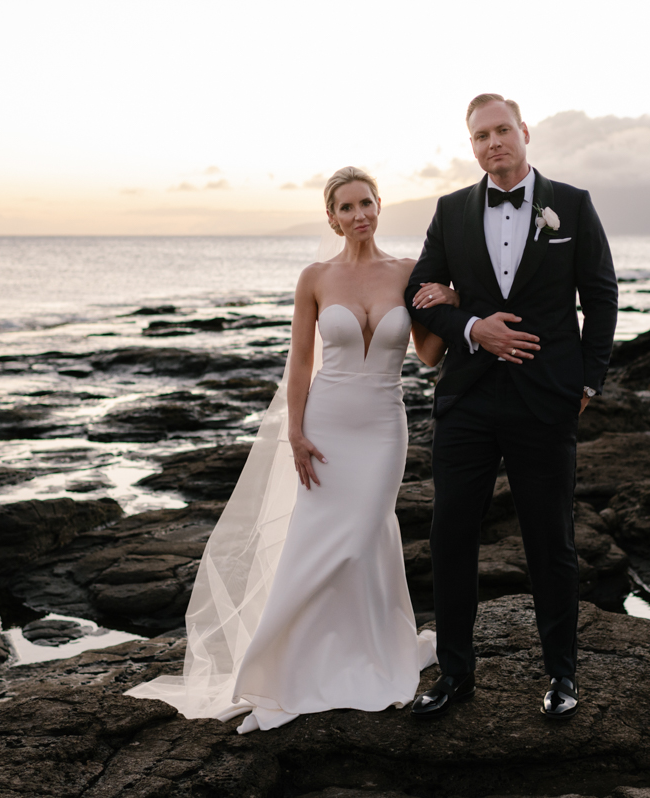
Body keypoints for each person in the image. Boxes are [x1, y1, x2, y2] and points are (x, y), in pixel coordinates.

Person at [126, 166, 458, 732]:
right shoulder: (314, 278)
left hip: (382, 427)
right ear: (331, 218)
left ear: (381, 206)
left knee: (359, 541)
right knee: (317, 542)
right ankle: (288, 667)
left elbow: (428, 356)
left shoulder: (407, 273)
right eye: (347, 208)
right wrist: (295, 432)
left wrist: (451, 302)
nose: (359, 215)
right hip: (326, 426)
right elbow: (300, 363)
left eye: (367, 204)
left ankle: (365, 655)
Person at [405, 94, 618, 720]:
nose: (492, 143)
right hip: (468, 398)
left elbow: (601, 297)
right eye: (480, 136)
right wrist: (472, 325)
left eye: (502, 131)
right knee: (450, 538)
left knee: (550, 540)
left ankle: (561, 676)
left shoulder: (572, 205)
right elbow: (420, 293)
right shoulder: (450, 211)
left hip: (545, 399)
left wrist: (587, 385)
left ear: (524, 133)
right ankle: (455, 675)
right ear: (471, 146)